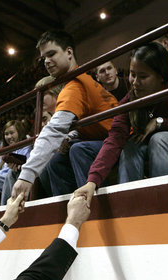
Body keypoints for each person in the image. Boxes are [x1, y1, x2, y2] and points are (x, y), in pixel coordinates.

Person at [73, 43, 168, 204]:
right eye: (132, 75)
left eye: (142, 77)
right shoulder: (129, 101)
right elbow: (114, 140)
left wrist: (161, 123)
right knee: (129, 146)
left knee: (159, 139)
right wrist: (92, 181)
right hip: (146, 144)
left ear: (161, 76)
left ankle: (162, 203)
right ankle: (128, 204)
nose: (134, 82)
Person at [11, 30, 118, 200]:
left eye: (51, 54)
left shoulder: (75, 86)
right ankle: (68, 211)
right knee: (56, 160)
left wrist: (27, 174)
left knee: (77, 150)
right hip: (104, 138)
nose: (46, 61)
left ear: (69, 52)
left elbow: (54, 130)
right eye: (43, 57)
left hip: (120, 142)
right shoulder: (81, 78)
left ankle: (89, 208)